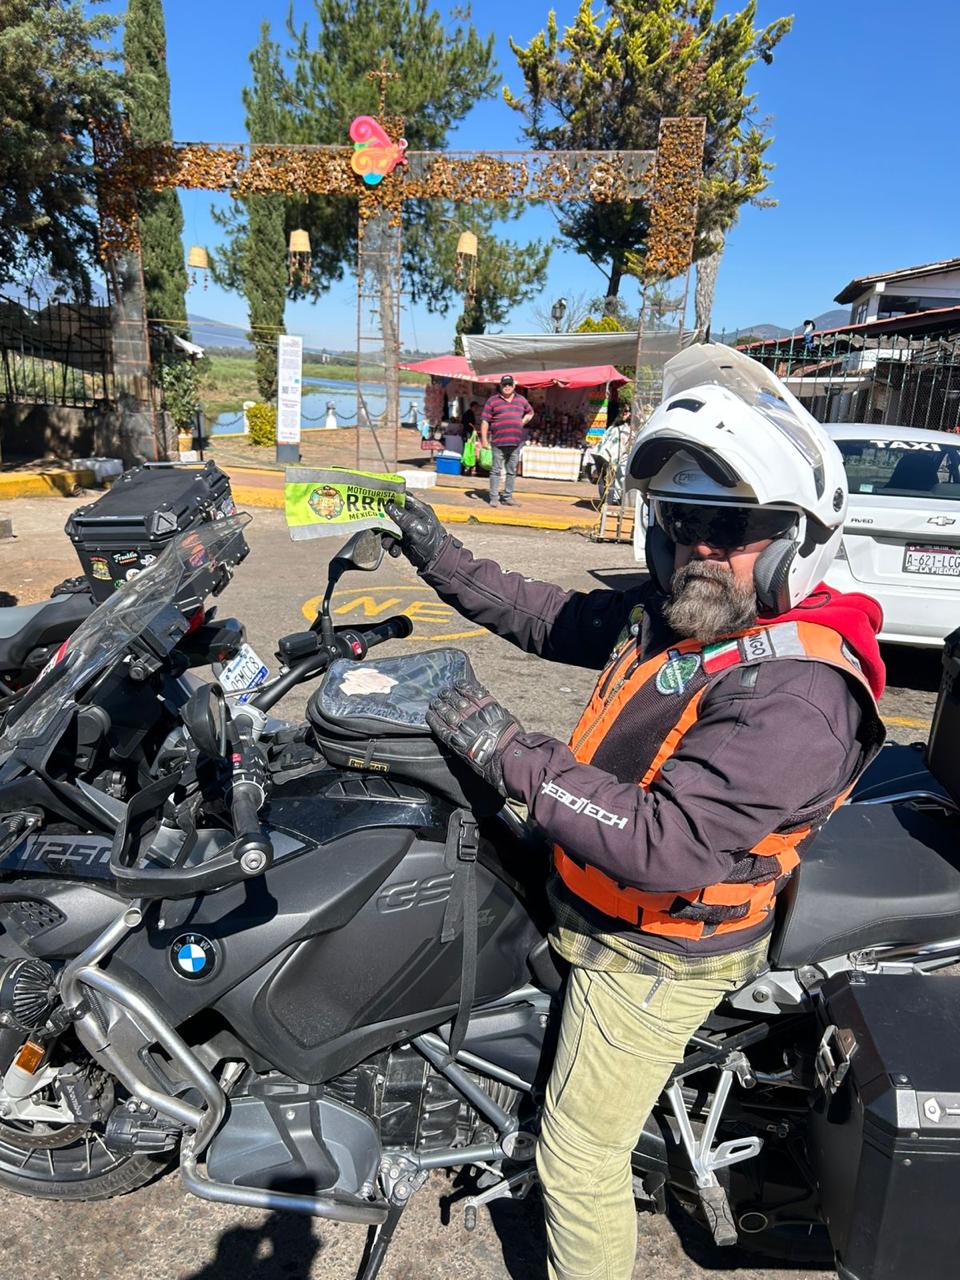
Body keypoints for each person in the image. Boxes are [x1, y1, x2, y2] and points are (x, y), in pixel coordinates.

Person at [386, 346, 886, 1280]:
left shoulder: (799, 694)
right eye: (684, 518)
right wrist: (433, 550)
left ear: (794, 540)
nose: (700, 543)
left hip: (653, 945)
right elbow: (547, 615)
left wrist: (509, 749)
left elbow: (665, 845)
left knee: (576, 1159)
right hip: (591, 880)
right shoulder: (686, 612)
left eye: (730, 525)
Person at [480, 375, 534, 506]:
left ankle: (507, 497)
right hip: (498, 442)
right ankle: (494, 498)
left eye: (510, 384)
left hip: (516, 442)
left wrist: (522, 421)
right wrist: (484, 440)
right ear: (501, 386)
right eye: (505, 385)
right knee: (495, 470)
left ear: (514, 386)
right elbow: (485, 421)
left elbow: (530, 412)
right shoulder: (492, 401)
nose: (507, 387)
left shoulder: (521, 400)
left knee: (511, 471)